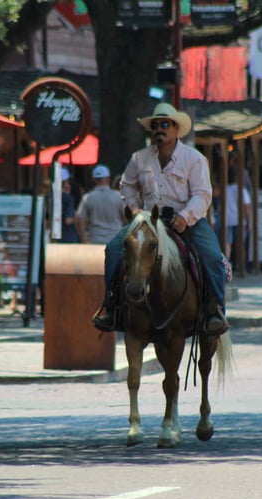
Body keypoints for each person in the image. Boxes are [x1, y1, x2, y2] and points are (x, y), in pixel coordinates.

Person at [92, 102, 229, 336]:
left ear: (176, 128)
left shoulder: (194, 159)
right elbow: (126, 186)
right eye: (155, 125)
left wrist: (184, 217)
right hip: (148, 221)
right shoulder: (139, 158)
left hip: (187, 220)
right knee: (113, 249)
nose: (159, 129)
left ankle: (215, 311)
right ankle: (111, 306)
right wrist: (135, 210)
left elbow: (202, 195)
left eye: (165, 124)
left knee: (212, 257)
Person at [76, 164, 125, 244]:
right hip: (115, 240)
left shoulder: (87, 198)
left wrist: (84, 239)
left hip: (95, 240)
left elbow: (80, 220)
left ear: (94, 180)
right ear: (108, 179)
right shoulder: (118, 197)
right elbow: (127, 217)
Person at [225, 172, 251, 272]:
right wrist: (249, 222)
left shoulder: (225, 189)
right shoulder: (242, 190)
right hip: (239, 220)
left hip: (227, 219)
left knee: (228, 243)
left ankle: (227, 265)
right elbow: (247, 207)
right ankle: (240, 266)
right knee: (240, 244)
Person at [58, 169, 80, 244]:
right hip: (68, 238)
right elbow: (69, 220)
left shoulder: (48, 196)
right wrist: (76, 215)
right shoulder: (68, 198)